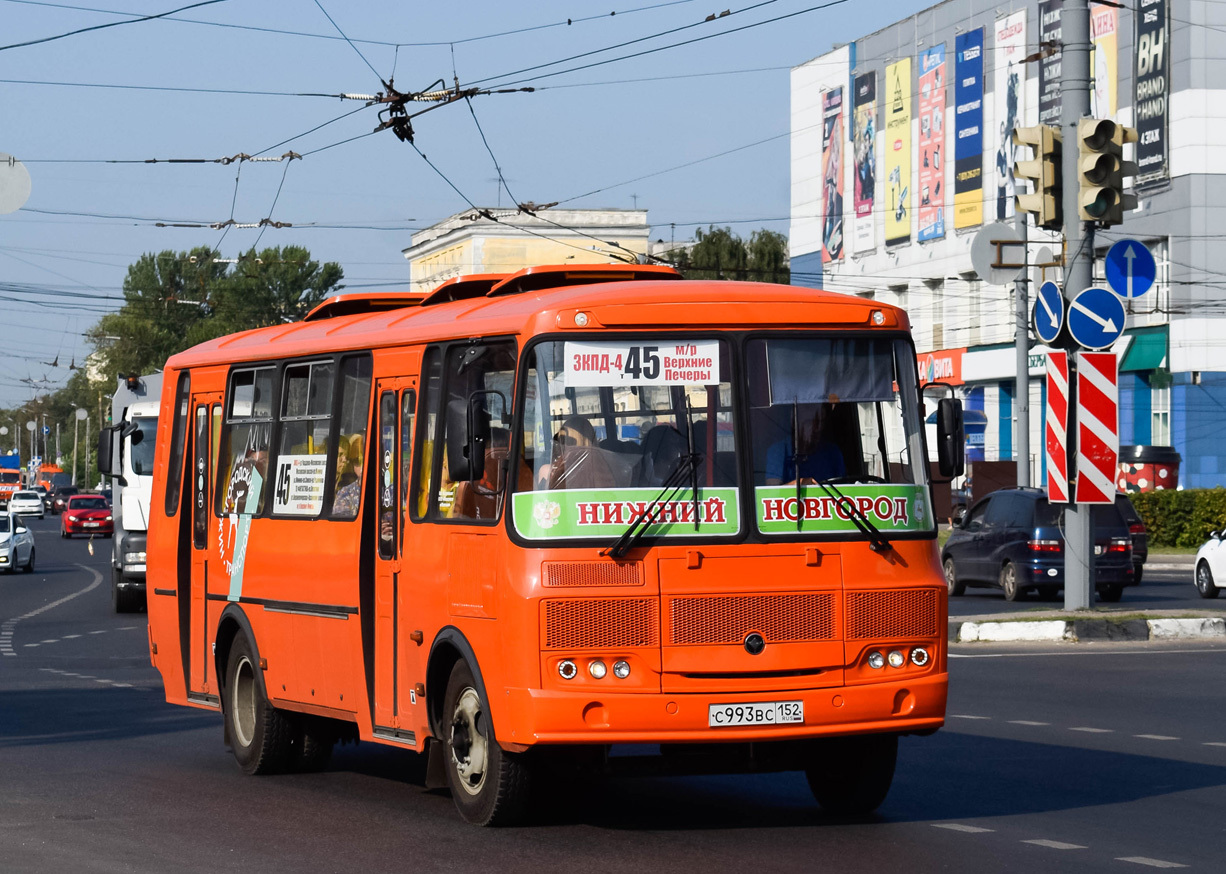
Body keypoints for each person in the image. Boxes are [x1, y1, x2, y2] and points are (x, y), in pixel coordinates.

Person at [765, 404, 845, 485]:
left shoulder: (832, 452)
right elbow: (772, 491)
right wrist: (800, 484)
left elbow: (845, 489)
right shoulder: (779, 450)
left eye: (820, 422)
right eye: (810, 422)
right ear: (795, 422)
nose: (816, 428)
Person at [332, 434, 364, 516]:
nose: (344, 460)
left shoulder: (391, 490)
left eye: (346, 456)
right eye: (357, 461)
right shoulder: (345, 493)